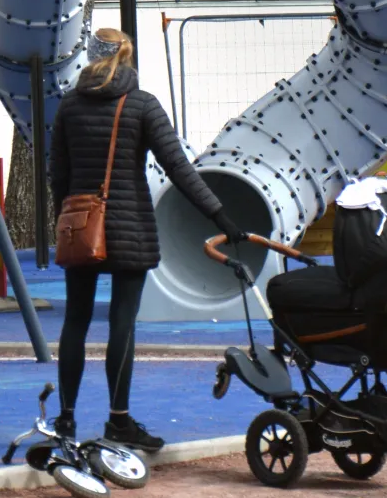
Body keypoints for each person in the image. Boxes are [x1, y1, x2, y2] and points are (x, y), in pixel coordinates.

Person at [48, 27, 245, 451]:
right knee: (122, 323)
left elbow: (58, 173)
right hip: (130, 227)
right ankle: (118, 421)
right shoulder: (141, 105)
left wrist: (65, 219)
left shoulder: (70, 105)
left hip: (82, 227)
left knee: (75, 323)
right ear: (126, 56)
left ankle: (65, 419)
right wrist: (220, 214)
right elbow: (179, 168)